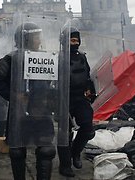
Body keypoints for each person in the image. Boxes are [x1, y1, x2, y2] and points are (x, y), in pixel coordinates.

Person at [0, 22, 64, 180]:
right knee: (17, 150)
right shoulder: (9, 59)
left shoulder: (46, 58)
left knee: (47, 150)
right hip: (20, 112)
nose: (39, 40)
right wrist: (14, 96)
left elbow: (54, 82)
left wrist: (52, 97)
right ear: (26, 38)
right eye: (36, 36)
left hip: (42, 111)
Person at [57, 27, 96, 177]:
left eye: (76, 40)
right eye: (71, 40)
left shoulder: (82, 57)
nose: (75, 43)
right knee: (64, 134)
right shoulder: (58, 57)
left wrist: (89, 89)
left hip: (80, 98)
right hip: (64, 99)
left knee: (87, 128)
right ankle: (65, 165)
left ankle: (75, 152)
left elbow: (87, 75)